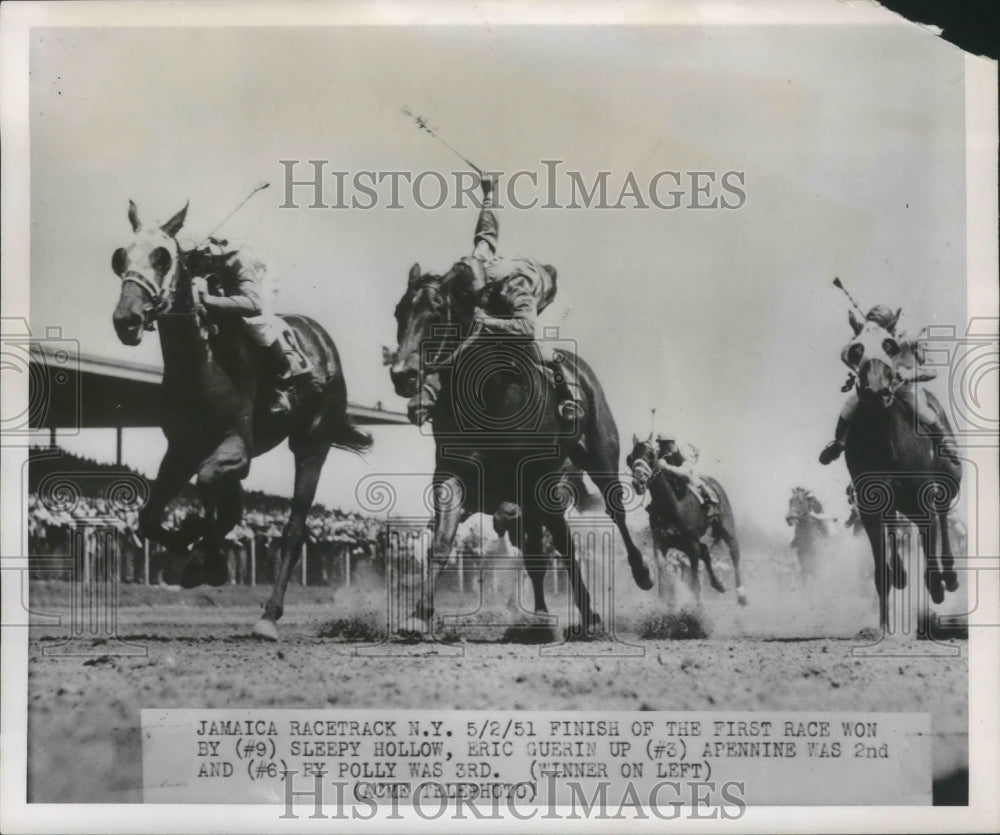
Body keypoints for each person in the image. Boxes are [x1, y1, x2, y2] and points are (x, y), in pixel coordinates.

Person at [407, 176, 584, 426]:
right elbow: (486, 230)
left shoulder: (514, 287)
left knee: (539, 347)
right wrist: (488, 193)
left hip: (547, 303)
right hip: (505, 305)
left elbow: (526, 328)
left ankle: (569, 398)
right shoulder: (477, 261)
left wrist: (490, 321)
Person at [187, 238, 315, 415]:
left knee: (255, 322)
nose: (198, 264)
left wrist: (211, 300)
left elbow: (253, 303)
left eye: (201, 258)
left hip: (261, 278)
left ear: (210, 253)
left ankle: (283, 381)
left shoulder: (240, 263)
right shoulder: (206, 257)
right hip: (231, 274)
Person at [819, 304, 959, 465]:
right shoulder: (870, 337)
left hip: (905, 385)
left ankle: (944, 441)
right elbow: (848, 356)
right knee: (851, 404)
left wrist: (909, 374)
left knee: (918, 408)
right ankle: (840, 443)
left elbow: (931, 370)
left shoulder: (909, 338)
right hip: (879, 384)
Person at [653, 435, 718, 517]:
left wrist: (667, 467)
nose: (664, 447)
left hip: (684, 472)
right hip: (669, 475)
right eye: (661, 443)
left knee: (689, 478)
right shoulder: (658, 451)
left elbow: (685, 470)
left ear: (673, 442)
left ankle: (709, 502)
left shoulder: (684, 450)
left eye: (667, 443)